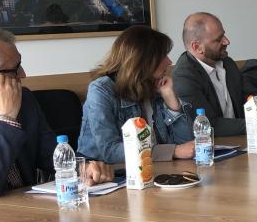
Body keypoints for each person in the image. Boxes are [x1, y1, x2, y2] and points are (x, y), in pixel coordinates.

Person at [0, 26, 112, 209]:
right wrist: (5, 118)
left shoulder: (24, 97)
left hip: (25, 207)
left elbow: (50, 154)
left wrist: (85, 167)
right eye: (14, 69)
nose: (23, 74)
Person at [79, 26, 195, 164]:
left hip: (154, 168)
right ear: (144, 60)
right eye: (163, 56)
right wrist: (172, 151)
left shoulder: (156, 86)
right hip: (110, 173)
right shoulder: (101, 90)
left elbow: (187, 145)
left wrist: (170, 98)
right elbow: (110, 152)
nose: (169, 62)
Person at [172, 12, 257, 136]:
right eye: (218, 39)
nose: (227, 41)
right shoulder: (184, 77)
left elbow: (253, 98)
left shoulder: (227, 63)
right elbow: (208, 125)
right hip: (213, 145)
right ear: (197, 47)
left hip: (243, 139)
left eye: (223, 35)